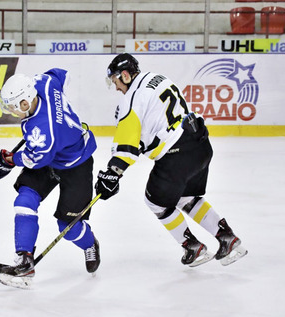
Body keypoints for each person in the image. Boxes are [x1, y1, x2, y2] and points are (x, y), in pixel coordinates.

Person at [95, 53, 247, 267]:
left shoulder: (132, 99)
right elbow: (153, 124)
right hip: (199, 143)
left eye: (116, 81)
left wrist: (112, 173)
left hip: (177, 155)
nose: (117, 88)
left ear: (126, 75)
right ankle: (227, 238)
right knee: (186, 198)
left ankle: (192, 247)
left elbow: (125, 149)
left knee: (155, 201)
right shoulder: (157, 78)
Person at [0, 70, 100, 287]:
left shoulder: (43, 131)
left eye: (12, 107)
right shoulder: (44, 83)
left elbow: (34, 159)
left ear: (24, 103)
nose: (11, 111)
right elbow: (58, 74)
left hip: (75, 162)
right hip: (53, 154)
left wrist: (10, 160)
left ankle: (90, 244)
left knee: (68, 228)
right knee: (24, 201)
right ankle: (24, 259)